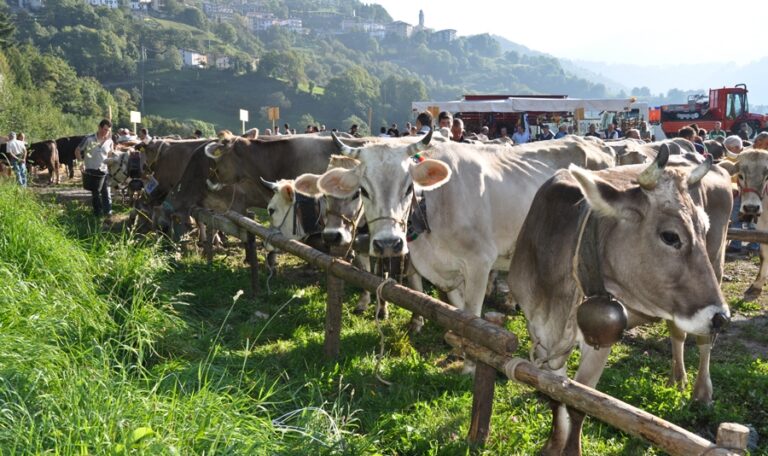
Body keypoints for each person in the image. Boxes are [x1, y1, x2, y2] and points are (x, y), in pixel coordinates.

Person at [75, 119, 114, 218]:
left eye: (108, 130)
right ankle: (97, 215)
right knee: (96, 194)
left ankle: (108, 214)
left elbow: (110, 156)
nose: (106, 132)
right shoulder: (89, 139)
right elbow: (78, 150)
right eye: (105, 129)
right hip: (92, 172)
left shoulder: (110, 142)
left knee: (106, 193)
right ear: (99, 127)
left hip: (104, 171)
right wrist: (81, 162)